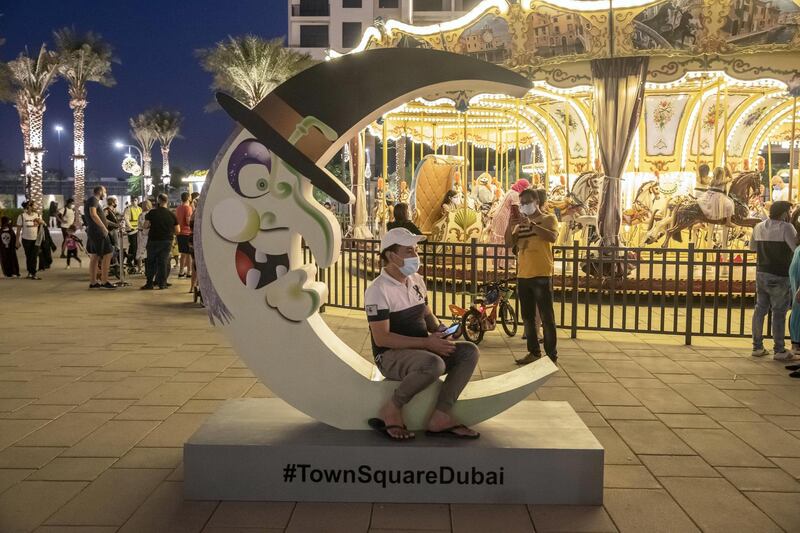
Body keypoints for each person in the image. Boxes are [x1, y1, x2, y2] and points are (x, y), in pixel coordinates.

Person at [365, 227, 480, 441]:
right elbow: (382, 338)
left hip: (422, 347)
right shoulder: (377, 290)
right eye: (409, 251)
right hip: (390, 355)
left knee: (468, 352)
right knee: (434, 364)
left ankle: (441, 416)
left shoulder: (416, 280)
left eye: (415, 250)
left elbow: (427, 315)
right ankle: (391, 409)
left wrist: (442, 330)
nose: (416, 256)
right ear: (391, 255)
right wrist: (426, 343)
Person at [506, 188, 559, 365]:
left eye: (527, 202)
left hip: (541, 273)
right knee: (527, 317)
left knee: (547, 317)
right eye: (522, 204)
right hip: (523, 275)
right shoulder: (520, 224)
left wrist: (532, 225)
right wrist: (510, 224)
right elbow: (509, 243)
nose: (524, 206)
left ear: (536, 201)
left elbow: (552, 237)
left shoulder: (548, 219)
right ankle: (534, 352)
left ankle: (551, 355)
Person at [751, 200, 796, 360]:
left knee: (760, 309)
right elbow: (795, 247)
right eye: (789, 212)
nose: (790, 214)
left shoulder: (759, 226)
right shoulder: (786, 227)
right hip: (780, 274)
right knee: (779, 312)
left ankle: (757, 347)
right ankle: (779, 349)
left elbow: (752, 247)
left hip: (762, 272)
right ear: (784, 213)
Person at [142, 193, 178, 290]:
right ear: (167, 201)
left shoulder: (152, 213)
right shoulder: (172, 214)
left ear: (158, 201)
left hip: (153, 240)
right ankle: (162, 284)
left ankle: (149, 283)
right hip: (167, 241)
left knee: (151, 262)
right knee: (163, 262)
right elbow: (178, 230)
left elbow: (145, 226)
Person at [84, 186, 115, 289]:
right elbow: (93, 214)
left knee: (95, 256)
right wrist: (104, 228)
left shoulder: (93, 201)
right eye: (105, 192)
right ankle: (104, 281)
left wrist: (114, 224)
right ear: (100, 192)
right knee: (108, 253)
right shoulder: (93, 200)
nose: (105, 194)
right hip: (98, 232)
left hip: (94, 232)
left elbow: (100, 217)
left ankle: (93, 282)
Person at [15, 201, 42, 280]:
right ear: (29, 207)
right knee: (29, 256)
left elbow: (41, 224)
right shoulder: (22, 216)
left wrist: (40, 220)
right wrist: (17, 241)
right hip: (26, 239)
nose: (35, 207)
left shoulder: (37, 215)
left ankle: (33, 273)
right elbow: (18, 229)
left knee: (34, 256)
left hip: (36, 239)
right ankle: (30, 273)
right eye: (34, 205)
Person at [175, 191, 193, 278]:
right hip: (187, 232)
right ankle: (189, 271)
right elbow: (188, 221)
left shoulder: (178, 208)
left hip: (179, 232)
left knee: (182, 253)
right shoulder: (188, 208)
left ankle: (181, 271)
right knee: (189, 254)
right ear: (188, 198)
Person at [122, 197, 142, 269]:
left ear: (138, 201)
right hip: (131, 230)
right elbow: (126, 218)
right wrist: (131, 227)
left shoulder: (140, 209)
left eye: (135, 200)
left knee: (136, 246)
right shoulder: (128, 208)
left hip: (138, 229)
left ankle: (133, 261)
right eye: (132, 200)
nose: (134, 202)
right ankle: (131, 260)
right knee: (133, 246)